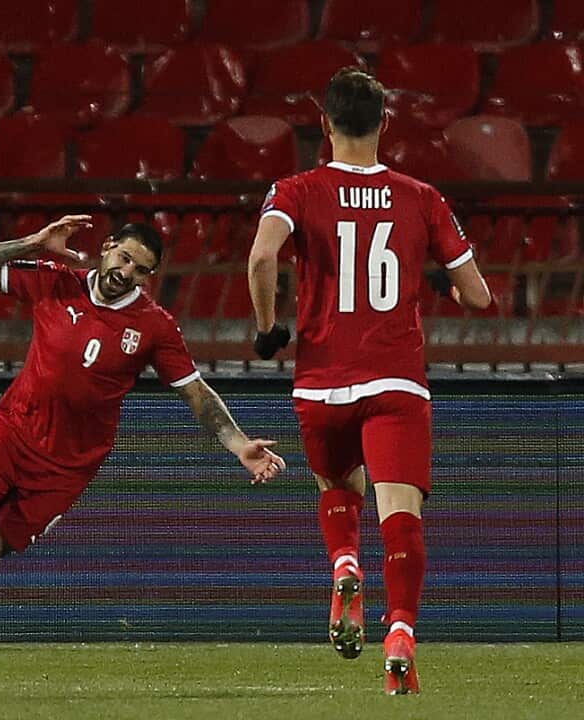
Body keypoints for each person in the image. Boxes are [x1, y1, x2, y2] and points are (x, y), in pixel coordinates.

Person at [0, 217, 286, 646]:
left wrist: (238, 445)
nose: (127, 272)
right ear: (107, 245)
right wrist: (33, 242)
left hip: (68, 466)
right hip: (16, 431)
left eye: (140, 270)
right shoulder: (57, 283)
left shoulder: (154, 325)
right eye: (124, 258)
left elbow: (196, 392)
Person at [247, 68, 492, 695]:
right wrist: (434, 278)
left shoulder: (296, 189)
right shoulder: (421, 196)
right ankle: (402, 631)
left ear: (324, 125)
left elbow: (261, 256)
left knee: (337, 484)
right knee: (400, 513)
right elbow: (478, 296)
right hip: (396, 382)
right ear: (386, 123)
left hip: (321, 383)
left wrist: (269, 326)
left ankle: (345, 564)